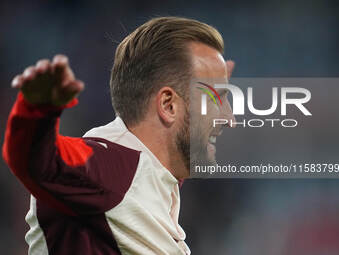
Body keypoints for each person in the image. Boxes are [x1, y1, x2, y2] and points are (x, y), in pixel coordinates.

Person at [3, 16, 235, 255]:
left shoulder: (153, 182)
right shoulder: (110, 167)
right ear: (168, 105)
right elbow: (39, 162)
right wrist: (37, 111)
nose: (230, 119)